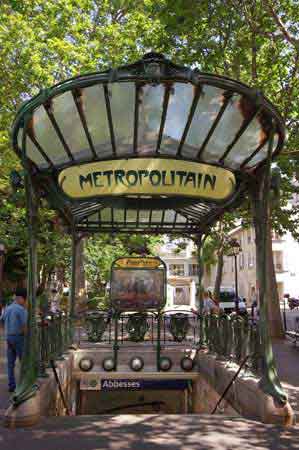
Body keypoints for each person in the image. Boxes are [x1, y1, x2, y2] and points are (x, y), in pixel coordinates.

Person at [1, 288, 28, 392]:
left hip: (8, 337)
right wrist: (26, 336)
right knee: (23, 361)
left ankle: (11, 385)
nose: (25, 301)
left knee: (10, 364)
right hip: (19, 337)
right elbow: (24, 326)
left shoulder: (7, 308)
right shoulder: (21, 310)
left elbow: (2, 321)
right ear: (21, 298)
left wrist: (7, 331)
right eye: (24, 299)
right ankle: (24, 384)